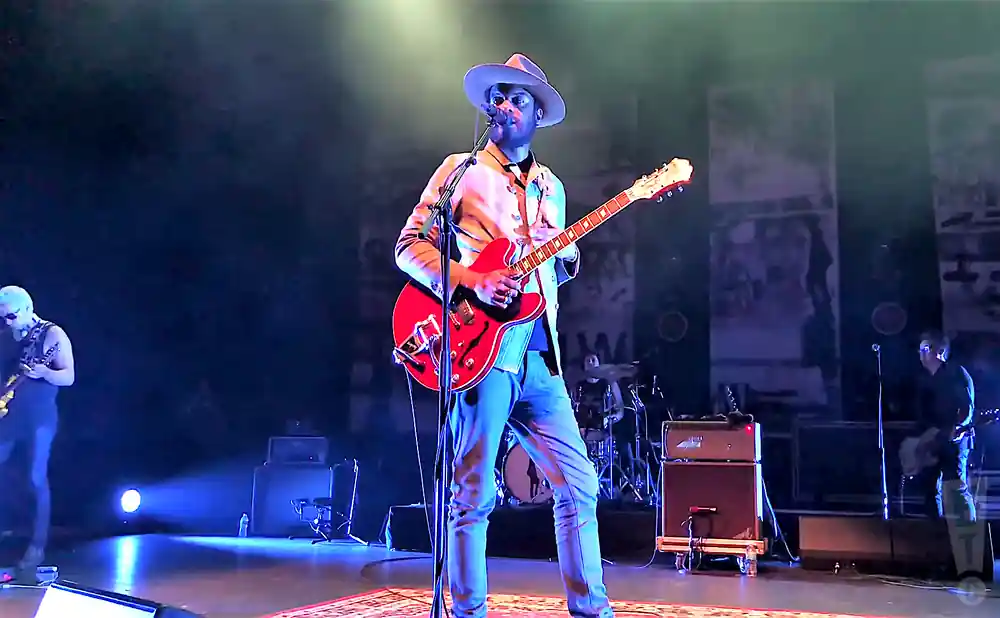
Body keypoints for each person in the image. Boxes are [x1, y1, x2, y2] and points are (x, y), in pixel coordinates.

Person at [394, 54, 613, 617]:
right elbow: (409, 246)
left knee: (580, 483)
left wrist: (564, 257)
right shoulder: (458, 170)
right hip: (478, 350)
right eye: (499, 97)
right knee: (472, 495)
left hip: (541, 355)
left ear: (537, 113)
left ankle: (593, 610)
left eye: (518, 99)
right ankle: (467, 612)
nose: (505, 106)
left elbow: (547, 269)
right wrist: (470, 278)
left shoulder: (552, 187)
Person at [0, 286, 75, 571]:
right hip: (9, 416)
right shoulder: (6, 337)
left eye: (11, 317)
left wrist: (45, 372)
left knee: (35, 477)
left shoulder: (53, 335)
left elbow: (68, 376)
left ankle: (37, 545)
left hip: (40, 417)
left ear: (28, 309)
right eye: (2, 318)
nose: (7, 322)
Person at [915, 330, 976, 522]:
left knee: (955, 489)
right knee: (930, 490)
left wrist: (957, 427)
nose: (921, 353)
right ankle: (934, 537)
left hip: (953, 443)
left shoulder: (956, 373)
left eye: (925, 348)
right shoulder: (926, 380)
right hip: (933, 442)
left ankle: (969, 539)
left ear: (939, 351)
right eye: (920, 349)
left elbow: (966, 407)